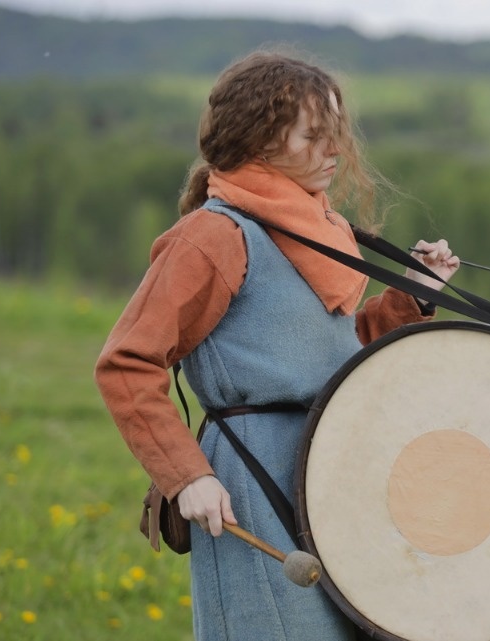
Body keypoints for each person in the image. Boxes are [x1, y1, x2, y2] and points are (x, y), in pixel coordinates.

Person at [94, 49, 460, 640]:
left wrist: (411, 296)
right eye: (313, 135)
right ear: (259, 139)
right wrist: (188, 476)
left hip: (335, 466)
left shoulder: (322, 230)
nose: (334, 150)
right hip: (255, 478)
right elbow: (126, 365)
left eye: (335, 134)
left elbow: (336, 352)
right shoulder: (213, 235)